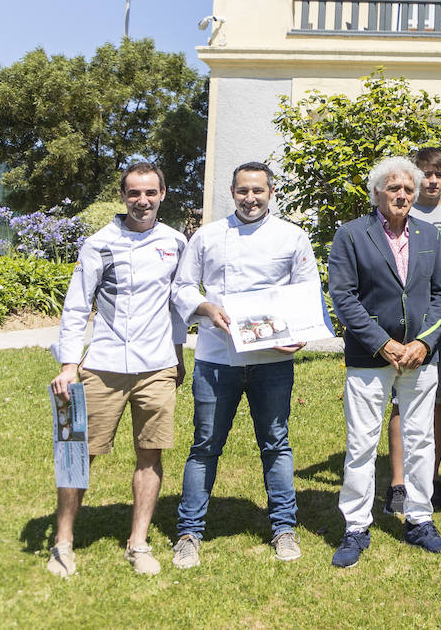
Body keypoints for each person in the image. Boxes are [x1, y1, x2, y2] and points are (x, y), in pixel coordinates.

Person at [170, 162, 318, 568]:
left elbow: (307, 293)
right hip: (217, 358)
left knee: (276, 444)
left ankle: (284, 528)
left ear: (271, 192)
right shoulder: (208, 236)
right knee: (204, 446)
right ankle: (189, 532)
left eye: (258, 191)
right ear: (232, 193)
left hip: (272, 360)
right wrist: (204, 306)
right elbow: (182, 286)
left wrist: (298, 332)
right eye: (242, 191)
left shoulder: (292, 236)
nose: (250, 198)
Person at [47, 162, 188, 578]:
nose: (142, 201)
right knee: (77, 453)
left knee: (150, 454)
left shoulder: (176, 242)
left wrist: (178, 355)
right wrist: (69, 364)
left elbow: (176, 304)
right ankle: (63, 543)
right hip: (102, 366)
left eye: (150, 193)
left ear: (163, 193)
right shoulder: (99, 244)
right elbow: (76, 306)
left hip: (158, 366)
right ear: (122, 197)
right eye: (133, 194)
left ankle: (138, 543)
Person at [328, 157, 441, 567]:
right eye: (394, 188)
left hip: (418, 359)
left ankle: (419, 520)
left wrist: (423, 343)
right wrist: (383, 344)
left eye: (408, 190)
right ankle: (355, 527)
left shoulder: (428, 233)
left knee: (421, 440)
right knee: (362, 443)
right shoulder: (351, 235)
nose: (402, 195)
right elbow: (343, 297)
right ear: (377, 192)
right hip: (369, 357)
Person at [385, 147, 441, 515]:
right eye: (426, 173)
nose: (432, 180)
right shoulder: (400, 210)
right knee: (401, 403)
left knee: (439, 401)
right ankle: (398, 484)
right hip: (406, 326)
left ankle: (431, 478)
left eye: (439, 173)